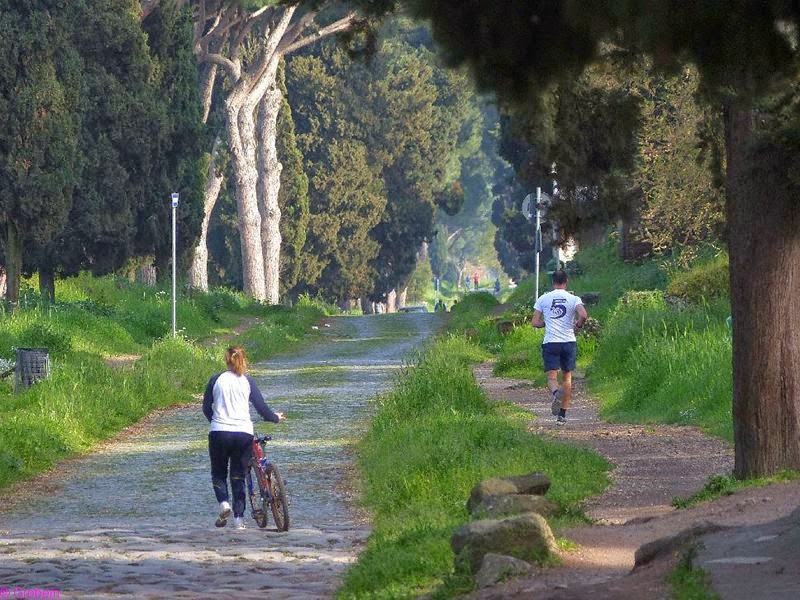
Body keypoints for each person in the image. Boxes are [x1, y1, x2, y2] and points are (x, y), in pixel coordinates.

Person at [203, 346, 284, 529]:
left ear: (226, 360)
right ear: (243, 360)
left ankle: (224, 504)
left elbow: (206, 407)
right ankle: (239, 520)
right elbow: (262, 408)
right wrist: (275, 418)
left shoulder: (216, 380)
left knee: (218, 473)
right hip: (243, 433)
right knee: (238, 476)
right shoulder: (247, 381)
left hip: (219, 432)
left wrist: (215, 421)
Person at [532, 271, 587, 425]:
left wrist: (545, 323)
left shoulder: (543, 298)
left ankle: (556, 393)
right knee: (567, 378)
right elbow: (583, 315)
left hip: (551, 342)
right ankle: (562, 416)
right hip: (568, 341)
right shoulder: (573, 298)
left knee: (551, 378)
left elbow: (535, 322)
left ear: (552, 282)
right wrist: (578, 324)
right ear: (566, 282)